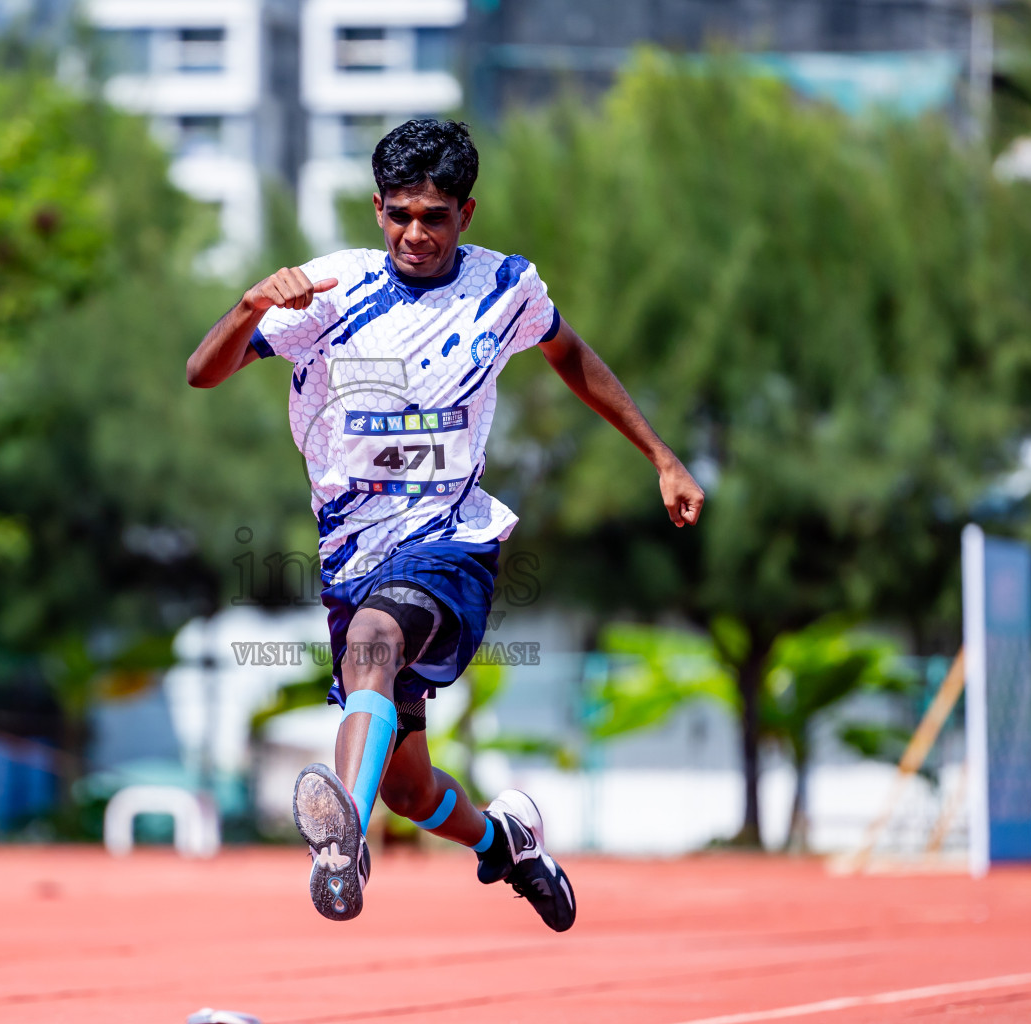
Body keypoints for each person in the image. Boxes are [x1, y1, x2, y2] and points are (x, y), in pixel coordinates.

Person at [187, 120, 703, 931]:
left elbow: (571, 354)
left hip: (451, 544)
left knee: (375, 646)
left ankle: (341, 845)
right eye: (398, 215)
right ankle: (508, 842)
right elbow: (202, 371)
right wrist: (251, 301)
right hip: (353, 552)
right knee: (411, 789)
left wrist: (660, 455)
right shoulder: (329, 290)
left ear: (467, 212)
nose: (415, 234)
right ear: (377, 208)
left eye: (434, 216)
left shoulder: (507, 288)